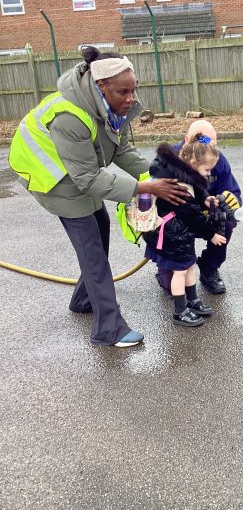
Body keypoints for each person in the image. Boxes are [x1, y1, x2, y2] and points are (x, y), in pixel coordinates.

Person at [9, 46, 189, 347]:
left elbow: (121, 150)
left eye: (133, 89)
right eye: (123, 92)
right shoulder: (70, 116)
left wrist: (158, 174)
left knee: (100, 229)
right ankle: (109, 329)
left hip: (77, 170)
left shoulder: (109, 107)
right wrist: (145, 188)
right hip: (50, 175)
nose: (130, 98)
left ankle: (83, 299)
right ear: (101, 85)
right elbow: (88, 178)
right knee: (92, 250)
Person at [143, 136, 227, 327]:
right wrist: (212, 235)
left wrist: (206, 199)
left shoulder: (183, 175)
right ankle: (180, 311)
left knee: (189, 267)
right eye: (207, 170)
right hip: (172, 236)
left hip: (181, 234)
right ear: (193, 163)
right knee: (179, 272)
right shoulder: (177, 186)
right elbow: (193, 215)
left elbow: (196, 192)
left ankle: (192, 301)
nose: (209, 174)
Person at [156, 119, 241, 295]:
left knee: (227, 220)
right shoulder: (168, 160)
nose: (210, 151)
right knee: (171, 286)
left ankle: (209, 267)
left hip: (203, 213)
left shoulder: (217, 159)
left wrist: (231, 201)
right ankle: (167, 265)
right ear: (187, 139)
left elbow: (232, 191)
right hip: (173, 220)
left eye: (214, 146)